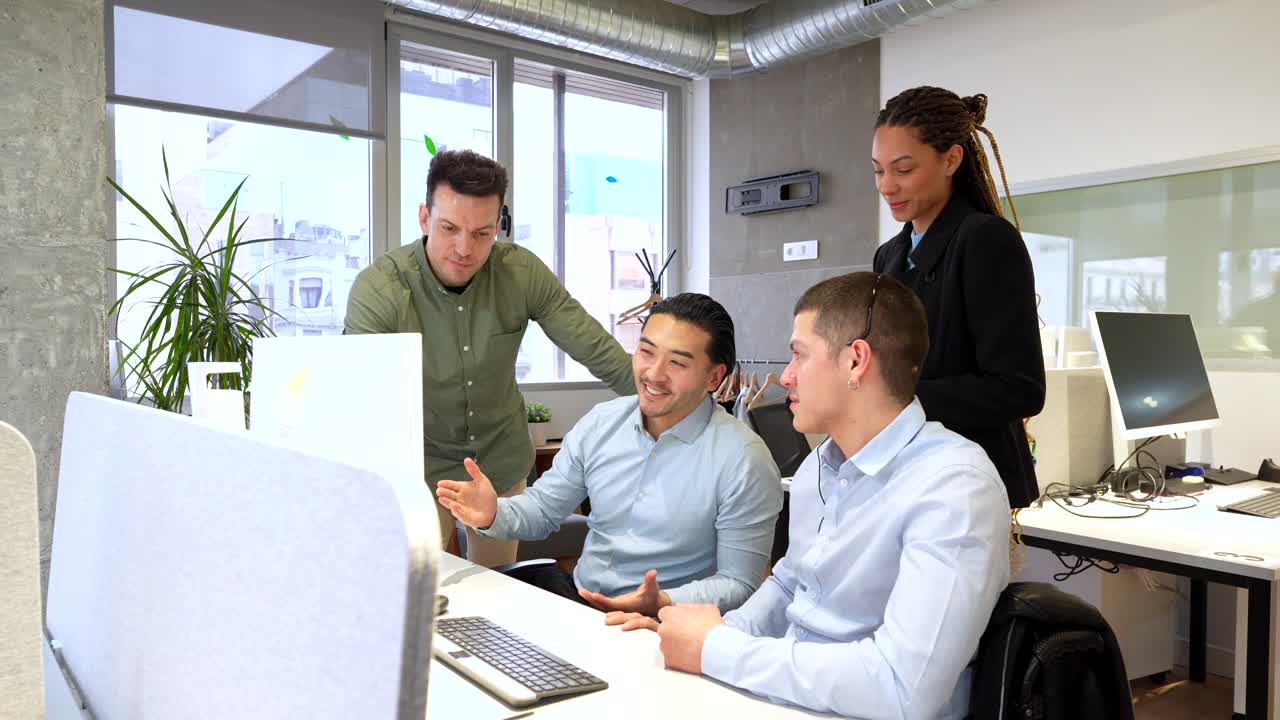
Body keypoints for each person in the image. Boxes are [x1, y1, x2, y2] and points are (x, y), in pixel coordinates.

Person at [654, 273, 1010, 719]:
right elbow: (789, 585)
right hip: (788, 699)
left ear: (856, 360)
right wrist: (703, 633)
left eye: (798, 355)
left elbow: (903, 690)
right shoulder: (819, 466)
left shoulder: (954, 486)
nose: (785, 378)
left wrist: (720, 649)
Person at [344, 150, 634, 567]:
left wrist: (671, 404)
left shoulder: (521, 273)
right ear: (425, 218)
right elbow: (359, 395)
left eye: (482, 233)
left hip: (500, 459)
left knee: (498, 584)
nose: (464, 249)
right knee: (416, 589)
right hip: (420, 467)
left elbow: (594, 346)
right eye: (449, 228)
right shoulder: (381, 289)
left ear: (498, 225)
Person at [436, 293, 783, 619]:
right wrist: (493, 511)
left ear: (714, 377)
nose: (653, 374)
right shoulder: (602, 423)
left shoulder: (744, 460)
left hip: (664, 625)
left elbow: (740, 584)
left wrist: (663, 602)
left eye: (677, 363)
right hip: (580, 608)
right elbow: (543, 510)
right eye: (646, 352)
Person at [871, 86, 1046, 508]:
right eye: (878, 171)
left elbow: (1019, 389)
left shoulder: (986, 241)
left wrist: (892, 399)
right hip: (905, 473)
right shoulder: (889, 255)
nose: (887, 186)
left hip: (969, 479)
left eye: (904, 169)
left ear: (951, 159)